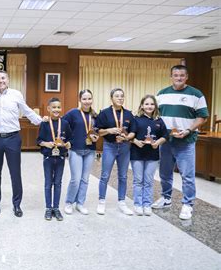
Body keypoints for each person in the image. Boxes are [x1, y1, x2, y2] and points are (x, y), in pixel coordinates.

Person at [154, 65, 208, 220]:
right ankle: (166, 198)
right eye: (175, 75)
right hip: (166, 141)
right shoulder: (162, 94)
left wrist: (189, 130)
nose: (178, 78)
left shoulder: (196, 94)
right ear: (171, 76)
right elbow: (157, 115)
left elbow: (202, 116)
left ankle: (187, 204)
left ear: (187, 77)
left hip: (186, 142)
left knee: (187, 175)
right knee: (164, 173)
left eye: (182, 75)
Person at [0, 70, 42, 217]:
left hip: (13, 138)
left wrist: (42, 122)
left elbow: (27, 110)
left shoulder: (16, 94)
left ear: (8, 80)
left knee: (15, 173)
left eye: (3, 78)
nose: (0, 81)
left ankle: (16, 204)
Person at [127, 95, 168, 216]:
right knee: (138, 180)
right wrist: (136, 141)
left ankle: (147, 204)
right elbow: (129, 135)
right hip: (137, 154)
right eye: (146, 104)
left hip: (152, 155)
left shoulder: (159, 121)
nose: (149, 106)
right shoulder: (136, 119)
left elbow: (165, 135)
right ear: (142, 106)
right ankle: (138, 204)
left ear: (155, 106)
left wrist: (157, 143)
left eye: (151, 104)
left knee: (149, 181)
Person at [96, 88, 134, 216]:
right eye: (117, 96)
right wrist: (109, 130)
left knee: (123, 176)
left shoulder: (129, 114)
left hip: (124, 147)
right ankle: (101, 201)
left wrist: (127, 137)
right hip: (110, 146)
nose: (120, 98)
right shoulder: (105, 113)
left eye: (122, 96)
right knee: (105, 175)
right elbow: (99, 131)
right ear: (111, 98)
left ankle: (122, 202)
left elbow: (133, 132)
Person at [63, 89, 99, 216]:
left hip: (90, 150)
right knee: (76, 179)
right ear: (79, 100)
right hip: (76, 150)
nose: (87, 101)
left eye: (89, 98)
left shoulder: (95, 115)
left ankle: (80, 203)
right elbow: (62, 125)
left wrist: (96, 136)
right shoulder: (73, 113)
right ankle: (69, 202)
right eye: (84, 99)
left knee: (85, 179)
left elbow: (97, 130)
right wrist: (67, 141)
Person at [37, 98, 72, 221]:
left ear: (61, 108)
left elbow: (69, 139)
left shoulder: (65, 123)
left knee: (58, 183)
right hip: (48, 157)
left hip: (61, 156)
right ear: (48, 109)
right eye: (54, 107)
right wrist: (46, 144)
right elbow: (39, 141)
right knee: (48, 183)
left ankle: (56, 208)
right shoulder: (45, 123)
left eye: (58, 107)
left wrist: (68, 144)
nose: (56, 109)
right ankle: (48, 208)